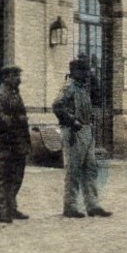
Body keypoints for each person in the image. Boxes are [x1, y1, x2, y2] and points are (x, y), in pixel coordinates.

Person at [52, 57, 111, 218]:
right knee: (74, 170)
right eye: (83, 71)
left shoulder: (82, 88)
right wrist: (72, 121)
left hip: (86, 131)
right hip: (73, 132)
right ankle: (70, 206)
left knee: (90, 169)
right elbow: (57, 106)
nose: (87, 74)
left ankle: (92, 205)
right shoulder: (69, 87)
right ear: (74, 72)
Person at [0, 64, 29, 223]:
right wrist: (17, 121)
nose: (19, 79)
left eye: (18, 75)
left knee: (16, 177)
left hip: (17, 143)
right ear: (6, 77)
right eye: (15, 75)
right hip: (5, 142)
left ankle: (11, 207)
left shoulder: (15, 93)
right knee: (3, 178)